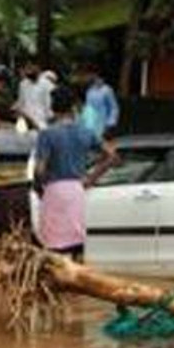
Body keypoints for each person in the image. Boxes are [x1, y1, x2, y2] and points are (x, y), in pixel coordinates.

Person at [33, 86, 117, 259]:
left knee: (53, 245)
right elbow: (111, 156)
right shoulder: (86, 132)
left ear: (53, 108)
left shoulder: (47, 134)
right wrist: (91, 179)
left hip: (54, 191)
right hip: (77, 190)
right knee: (77, 242)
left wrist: (38, 186)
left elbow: (40, 169)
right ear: (74, 107)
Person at [0, 103, 37, 237]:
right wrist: (25, 117)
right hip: (22, 193)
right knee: (21, 237)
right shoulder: (29, 138)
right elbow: (38, 130)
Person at [16, 60, 55, 130]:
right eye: (26, 68)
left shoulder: (47, 85)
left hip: (42, 124)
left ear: (38, 67)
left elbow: (49, 106)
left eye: (31, 67)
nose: (28, 70)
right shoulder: (22, 84)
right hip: (25, 124)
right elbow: (21, 103)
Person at [82, 66, 119, 136]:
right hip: (91, 127)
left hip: (103, 127)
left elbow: (114, 107)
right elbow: (88, 108)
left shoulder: (107, 90)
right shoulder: (89, 91)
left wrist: (110, 124)